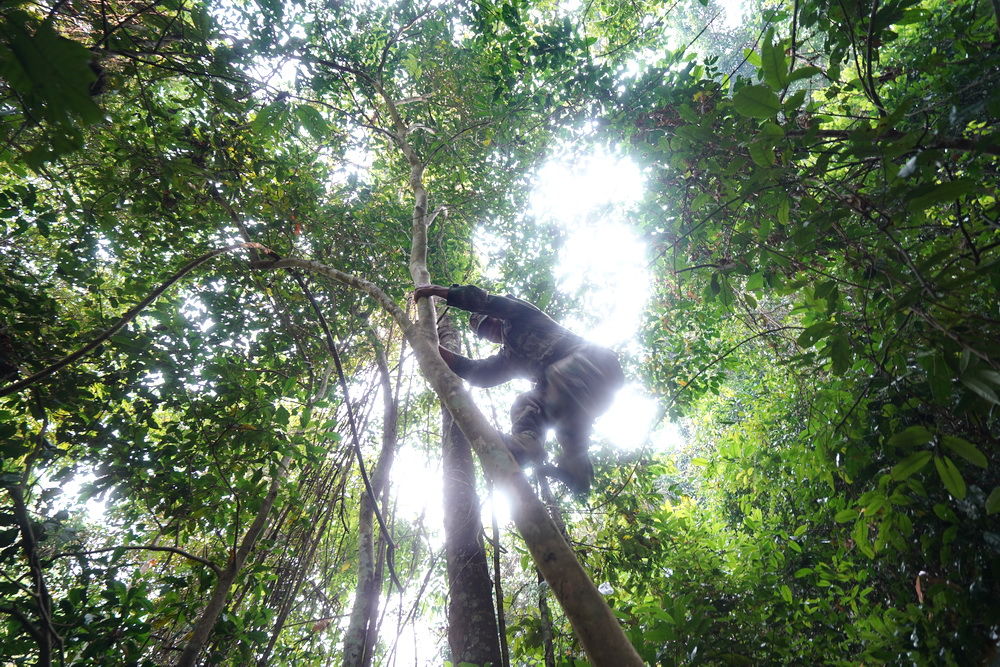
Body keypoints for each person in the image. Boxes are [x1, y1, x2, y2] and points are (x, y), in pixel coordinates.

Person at [414, 283, 624, 494]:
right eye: (484, 332)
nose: (490, 332)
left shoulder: (520, 315)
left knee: (558, 375)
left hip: (598, 366)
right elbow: (480, 373)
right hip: (581, 396)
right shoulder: (509, 358)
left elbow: (483, 301)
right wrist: (433, 349)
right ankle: (531, 448)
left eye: (488, 324)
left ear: (495, 316)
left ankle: (575, 456)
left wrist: (435, 290)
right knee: (525, 402)